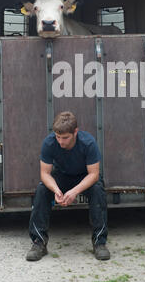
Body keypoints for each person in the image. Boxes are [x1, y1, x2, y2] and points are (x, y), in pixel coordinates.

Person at [26, 111, 110, 261]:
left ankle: (99, 242)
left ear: (75, 132)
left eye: (65, 138)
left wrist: (74, 192)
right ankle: (39, 242)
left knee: (97, 189)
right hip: (62, 176)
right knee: (42, 189)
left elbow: (94, 174)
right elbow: (45, 174)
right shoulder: (49, 143)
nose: (61, 142)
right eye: (58, 137)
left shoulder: (88, 143)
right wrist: (56, 190)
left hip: (85, 177)